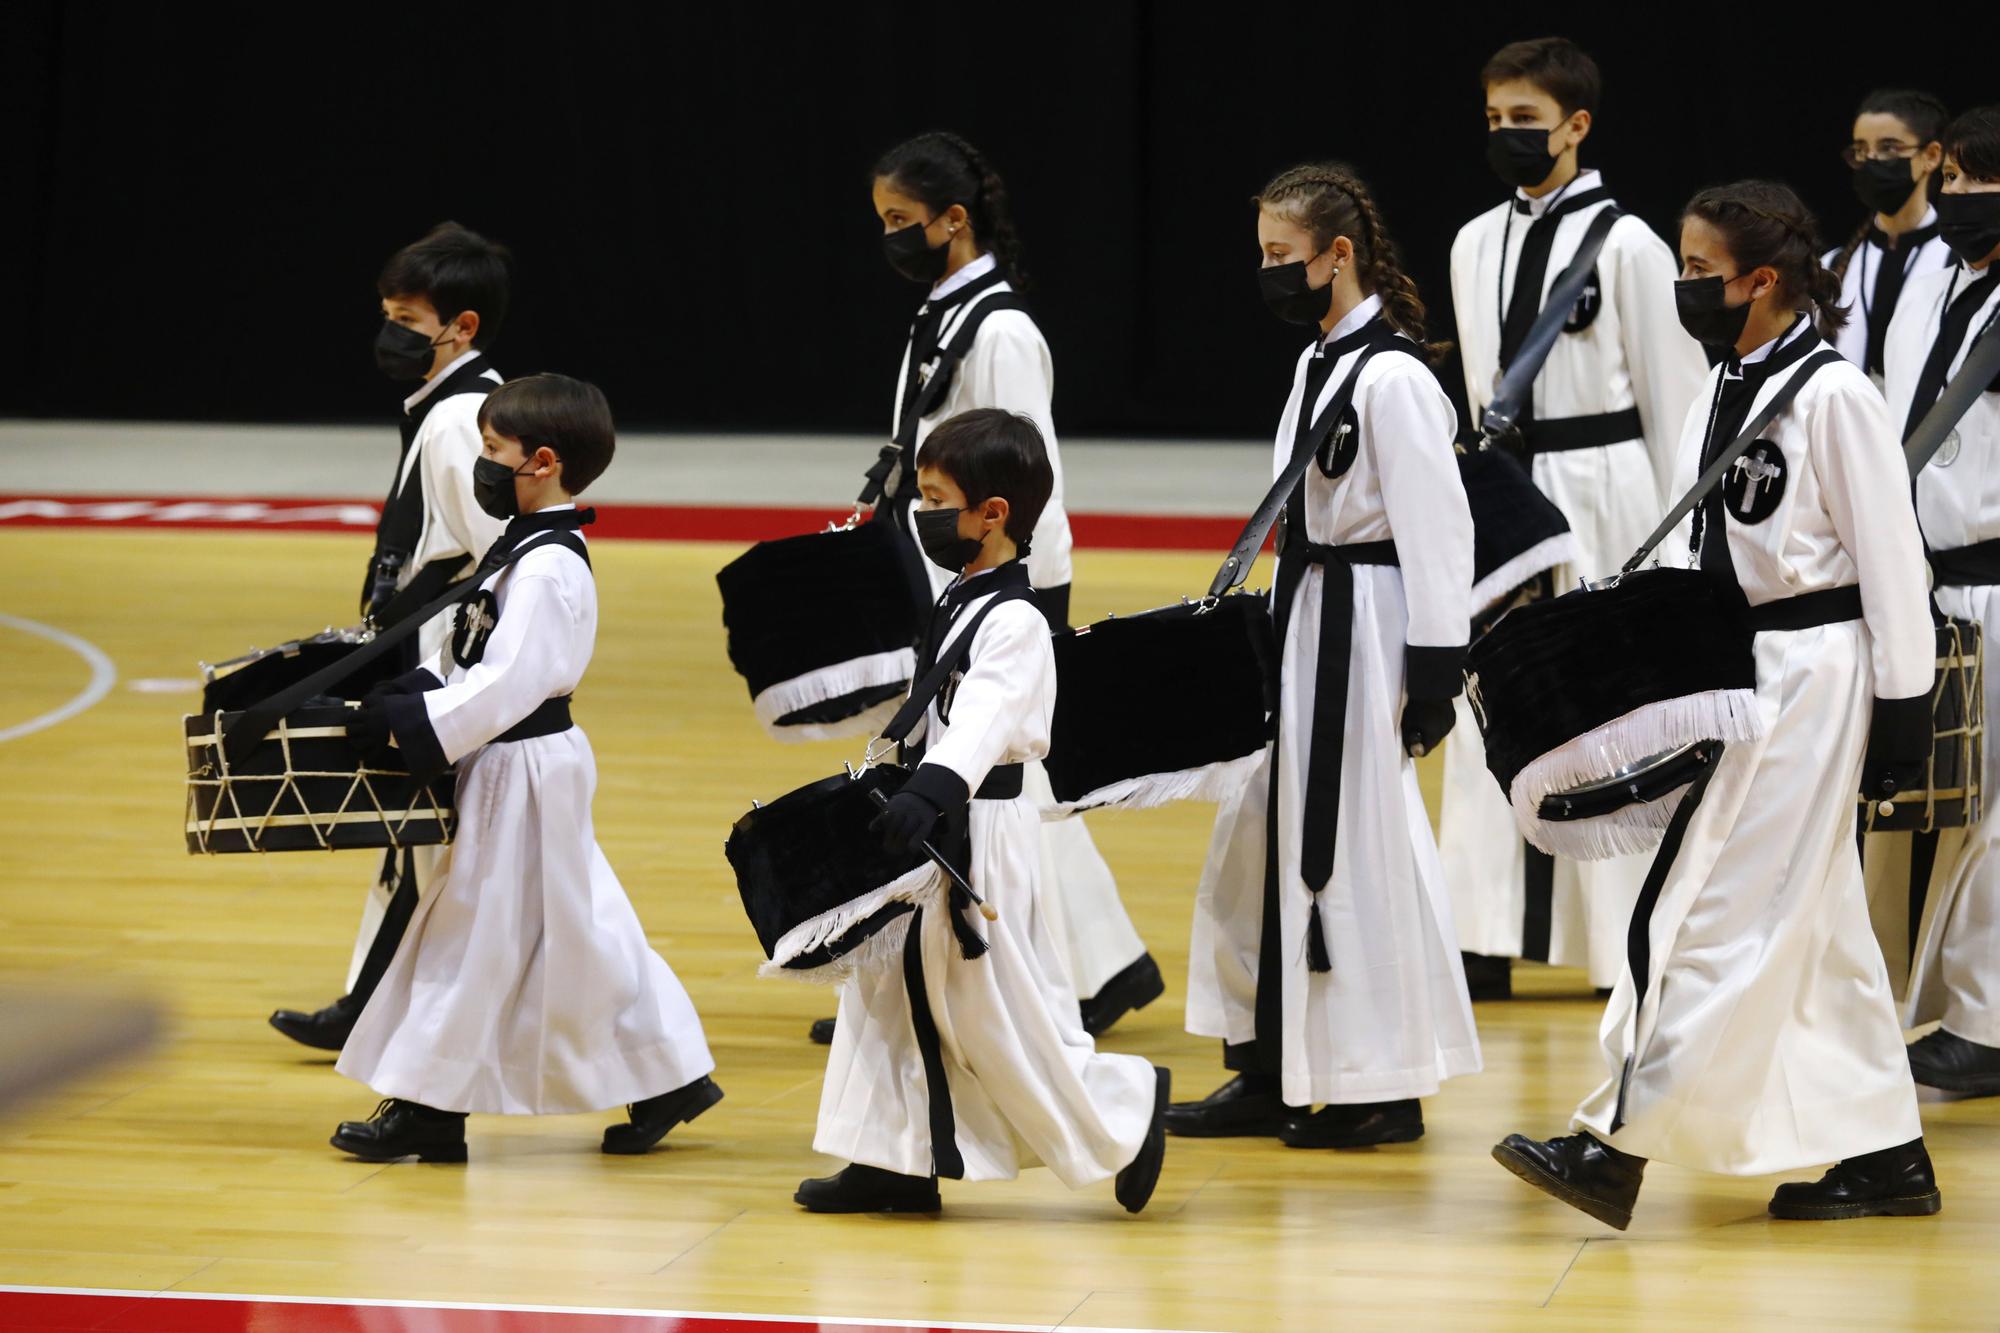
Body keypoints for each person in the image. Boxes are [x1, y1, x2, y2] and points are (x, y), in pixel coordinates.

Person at [1495, 181, 1940, 1228]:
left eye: (1700, 273)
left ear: (1762, 281)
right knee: (1813, 918)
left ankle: (1613, 1145)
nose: (1684, 288)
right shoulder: (1719, 387)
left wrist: (1903, 710)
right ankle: (1883, 1155)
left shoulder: (1834, 396)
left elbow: (1892, 567)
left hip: (1811, 675)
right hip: (1734, 671)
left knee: (1697, 909)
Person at [809, 131, 1160, 1047]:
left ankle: (1093, 967)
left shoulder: (1000, 329)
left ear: (952, 220)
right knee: (995, 777)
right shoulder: (944, 312)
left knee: (1009, 781)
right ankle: (1105, 964)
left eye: (900, 221)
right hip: (954, 583)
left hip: (1005, 589)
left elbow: (1029, 470)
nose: (889, 236)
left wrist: (1026, 597)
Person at [1166, 162, 1480, 1148]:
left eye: (1277, 255)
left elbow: (1440, 533)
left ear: (1333, 256)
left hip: (1367, 625)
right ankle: (1269, 1061)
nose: (1264, 272)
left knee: (1354, 847)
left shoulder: (1392, 377)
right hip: (1301, 618)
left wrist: (1433, 669)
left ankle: (1380, 1082)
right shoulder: (1317, 365)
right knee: (1258, 840)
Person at [330, 374, 721, 1161]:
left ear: (541, 462)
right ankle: (668, 1072)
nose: (483, 464)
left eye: (492, 451)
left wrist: (417, 724)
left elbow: (512, 683)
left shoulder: (548, 567)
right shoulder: (525, 549)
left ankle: (429, 1108)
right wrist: (416, 687)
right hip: (513, 759)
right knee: (581, 926)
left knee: (470, 927)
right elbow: (475, 651)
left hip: (523, 762)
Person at [802, 407, 1167, 1214]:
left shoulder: (1017, 621)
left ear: (991, 515)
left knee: (991, 1014)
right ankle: (890, 1159)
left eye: (934, 497)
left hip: (979, 832)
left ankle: (1129, 1110)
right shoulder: (963, 595)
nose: (920, 512)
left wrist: (932, 787)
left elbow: (987, 717)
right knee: (885, 991)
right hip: (937, 822)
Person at [1441, 37, 1708, 1001]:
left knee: (1605, 704)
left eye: (1526, 120)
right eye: (1495, 121)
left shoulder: (1632, 245)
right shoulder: (1474, 242)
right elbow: (1481, 391)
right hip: (1512, 493)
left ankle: (1613, 941)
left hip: (1607, 488)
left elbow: (1679, 403)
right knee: (1496, 693)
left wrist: (1675, 550)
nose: (1509, 136)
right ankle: (1482, 931)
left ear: (1576, 126)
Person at [269, 222, 512, 1052]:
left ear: (462, 326)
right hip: (430, 658)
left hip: (441, 666)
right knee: (415, 844)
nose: (389, 332)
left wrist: (463, 681)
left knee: (424, 847)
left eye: (407, 318)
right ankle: (368, 1001)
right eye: (388, 312)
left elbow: (501, 557)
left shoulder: (458, 422)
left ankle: (371, 1008)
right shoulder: (446, 408)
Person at [1882, 105, 2000, 1096]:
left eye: (1977, 181)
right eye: (1950, 180)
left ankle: (1983, 1023)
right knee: (1960, 811)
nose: (1955, 197)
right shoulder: (1949, 285)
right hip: (1942, 579)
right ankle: (1954, 1007)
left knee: (1999, 814)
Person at [1824, 89, 1955, 382]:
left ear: (1932, 156)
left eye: (1888, 148)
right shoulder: (1832, 266)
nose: (1872, 161)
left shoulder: (1957, 260)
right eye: (1861, 149)